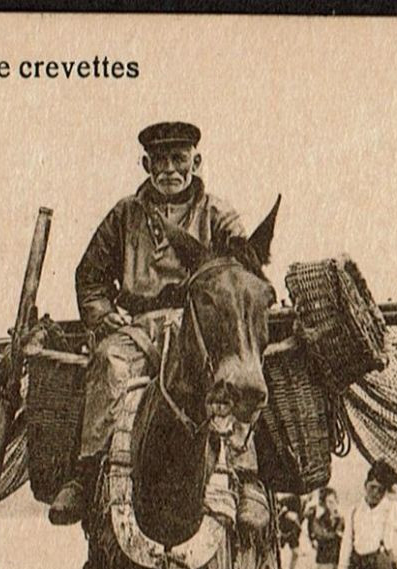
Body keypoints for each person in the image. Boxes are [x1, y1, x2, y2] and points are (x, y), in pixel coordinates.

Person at [48, 121, 248, 527]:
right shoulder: (125, 214)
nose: (170, 170)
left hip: (198, 326)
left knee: (234, 373)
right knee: (107, 362)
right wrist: (103, 315)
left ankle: (248, 476)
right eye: (160, 161)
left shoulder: (218, 212)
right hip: (138, 326)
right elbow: (90, 276)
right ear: (146, 164)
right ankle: (87, 476)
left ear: (196, 160)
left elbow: (243, 266)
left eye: (179, 159)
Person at [276, 494, 303, 569]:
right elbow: (277, 507)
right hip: (282, 529)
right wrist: (285, 513)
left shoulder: (304, 501)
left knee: (295, 553)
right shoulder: (290, 497)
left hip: (294, 531)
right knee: (278, 555)